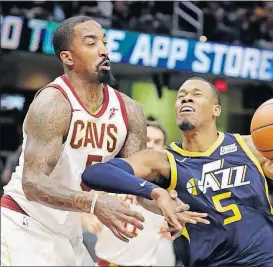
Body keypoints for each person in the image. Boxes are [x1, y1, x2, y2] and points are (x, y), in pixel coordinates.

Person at [0, 16, 201, 266]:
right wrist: (93, 202)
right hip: (25, 226)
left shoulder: (130, 110)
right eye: (91, 43)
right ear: (68, 57)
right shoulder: (54, 104)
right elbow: (32, 182)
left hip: (69, 234)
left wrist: (166, 206)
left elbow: (136, 186)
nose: (104, 50)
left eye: (104, 42)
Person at [82, 77, 273, 266]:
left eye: (196, 95)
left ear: (216, 110)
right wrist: (157, 192)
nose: (186, 99)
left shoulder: (249, 146)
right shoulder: (164, 161)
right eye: (181, 96)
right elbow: (95, 174)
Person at [82, 120, 176, 266]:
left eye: (157, 142)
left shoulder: (169, 185)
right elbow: (83, 202)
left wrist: (173, 223)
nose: (151, 145)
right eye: (147, 140)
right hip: (106, 262)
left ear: (164, 148)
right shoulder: (114, 173)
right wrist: (85, 217)